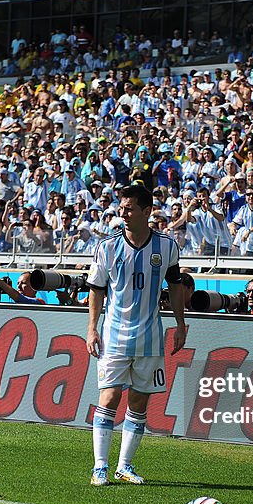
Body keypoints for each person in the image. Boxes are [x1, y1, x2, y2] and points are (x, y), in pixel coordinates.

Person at [86, 183, 187, 487]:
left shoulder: (167, 246)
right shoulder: (107, 246)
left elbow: (175, 285)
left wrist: (181, 324)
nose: (123, 213)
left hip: (150, 337)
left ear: (146, 212)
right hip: (114, 335)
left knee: (140, 402)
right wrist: (92, 328)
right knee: (111, 395)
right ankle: (99, 467)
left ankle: (124, 466)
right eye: (122, 208)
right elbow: (96, 289)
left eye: (129, 208)